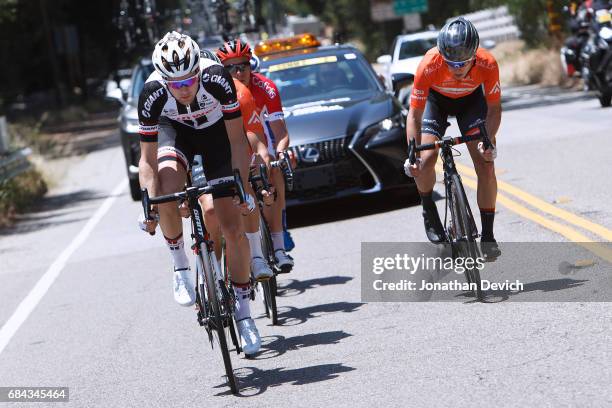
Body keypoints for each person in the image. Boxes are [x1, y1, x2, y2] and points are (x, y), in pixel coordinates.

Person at [137, 32, 261, 354]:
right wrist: (148, 204)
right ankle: (179, 266)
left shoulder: (217, 78)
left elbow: (237, 142)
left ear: (198, 71)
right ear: (163, 80)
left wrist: (243, 189)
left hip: (216, 135)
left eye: (189, 80)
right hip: (174, 132)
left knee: (233, 228)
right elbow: (147, 160)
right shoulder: (151, 93)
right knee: (164, 188)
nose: (184, 88)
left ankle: (245, 315)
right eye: (175, 84)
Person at [403, 17, 502, 259]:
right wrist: (412, 153)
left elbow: (494, 109)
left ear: (475, 56)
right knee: (426, 159)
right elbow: (414, 115)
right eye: (451, 63)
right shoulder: (429, 64)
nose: (457, 68)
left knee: (486, 162)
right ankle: (428, 209)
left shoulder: (488, 63)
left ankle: (488, 235)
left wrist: (487, 141)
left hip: (471, 102)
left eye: (463, 63)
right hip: (436, 103)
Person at [217, 39, 295, 272]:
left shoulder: (266, 88)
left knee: (274, 171)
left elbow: (280, 131)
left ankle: (279, 247)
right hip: (232, 145)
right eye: (230, 68)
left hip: (262, 142)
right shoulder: (217, 93)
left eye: (243, 65)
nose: (238, 72)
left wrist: (281, 152)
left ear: (252, 65)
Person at [197, 49, 274, 282]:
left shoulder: (239, 93)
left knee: (244, 189)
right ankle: (214, 270)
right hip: (199, 150)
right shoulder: (186, 95)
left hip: (232, 145)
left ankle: (257, 257)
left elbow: (253, 136)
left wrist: (262, 163)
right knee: (209, 210)